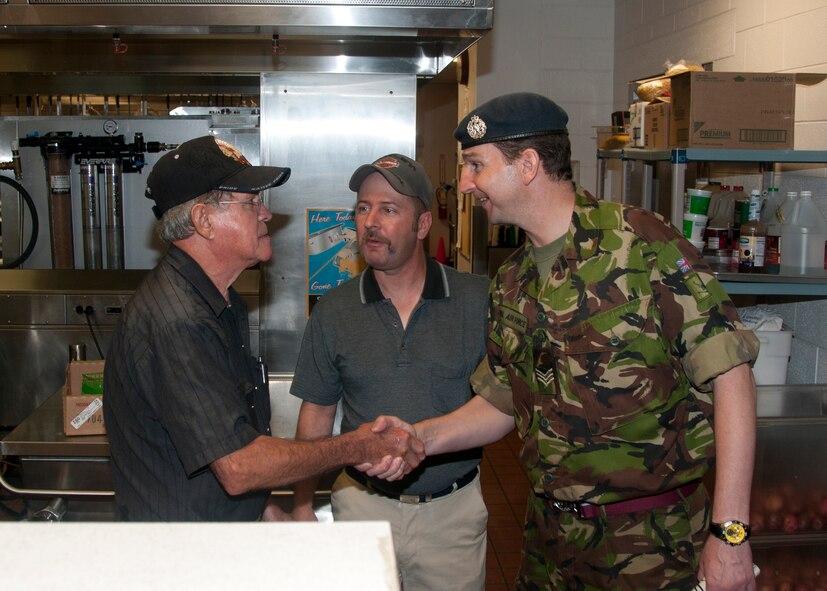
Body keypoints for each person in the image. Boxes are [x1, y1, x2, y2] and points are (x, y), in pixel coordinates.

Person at [372, 93, 760, 591]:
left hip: (651, 549)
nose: (465, 184)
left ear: (528, 165)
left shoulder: (640, 245)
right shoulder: (511, 279)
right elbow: (503, 400)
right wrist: (420, 438)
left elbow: (733, 377)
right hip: (549, 547)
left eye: (476, 166)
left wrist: (730, 535)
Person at [103, 136, 424, 521]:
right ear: (204, 221)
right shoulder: (179, 321)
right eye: (251, 202)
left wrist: (266, 510)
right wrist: (358, 446)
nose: (266, 214)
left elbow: (216, 446)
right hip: (184, 557)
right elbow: (238, 467)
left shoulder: (220, 301)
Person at [289, 153, 490, 590]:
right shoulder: (334, 310)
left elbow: (502, 404)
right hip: (361, 506)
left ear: (421, 226)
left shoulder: (477, 302)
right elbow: (317, 415)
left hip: (451, 516)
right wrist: (302, 503)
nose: (370, 222)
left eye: (388, 209)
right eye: (363, 208)